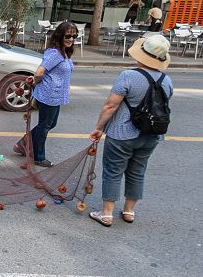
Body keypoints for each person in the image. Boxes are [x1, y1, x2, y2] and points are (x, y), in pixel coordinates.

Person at [87, 34, 174, 227]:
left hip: (122, 134)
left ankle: (107, 213)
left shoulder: (128, 76)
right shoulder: (167, 80)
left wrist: (99, 128)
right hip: (151, 135)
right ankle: (129, 211)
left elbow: (110, 106)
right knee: (137, 171)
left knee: (113, 171)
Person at [15, 21, 77, 167]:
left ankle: (23, 143)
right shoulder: (56, 53)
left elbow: (48, 71)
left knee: (49, 123)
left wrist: (37, 79)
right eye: (68, 36)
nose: (71, 39)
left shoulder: (64, 52)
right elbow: (40, 71)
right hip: (49, 94)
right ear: (60, 35)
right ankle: (38, 156)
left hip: (55, 95)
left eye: (74, 36)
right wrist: (36, 81)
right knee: (45, 125)